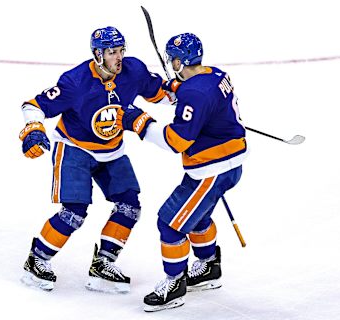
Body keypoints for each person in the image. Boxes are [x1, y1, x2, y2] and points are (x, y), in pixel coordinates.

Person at [18, 26, 169, 293]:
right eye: (112, 52)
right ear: (98, 54)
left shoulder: (134, 71)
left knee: (129, 205)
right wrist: (34, 128)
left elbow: (162, 94)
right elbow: (34, 105)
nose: (119, 57)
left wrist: (187, 96)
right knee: (74, 212)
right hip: (74, 148)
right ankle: (37, 259)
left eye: (122, 50)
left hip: (112, 149)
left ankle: (104, 263)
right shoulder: (74, 81)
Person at [116, 33, 248, 311]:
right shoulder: (215, 75)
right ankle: (209, 266)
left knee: (170, 223)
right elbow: (203, 102)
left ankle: (174, 283)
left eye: (172, 59)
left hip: (211, 170)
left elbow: (176, 141)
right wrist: (180, 89)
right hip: (229, 163)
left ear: (178, 61)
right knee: (196, 218)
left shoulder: (194, 93)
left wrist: (139, 122)